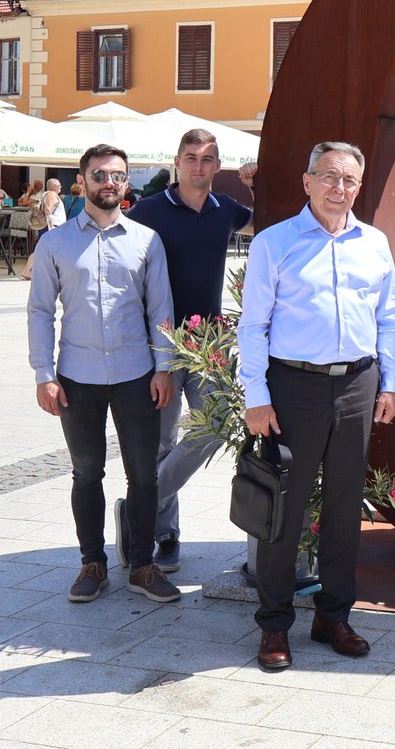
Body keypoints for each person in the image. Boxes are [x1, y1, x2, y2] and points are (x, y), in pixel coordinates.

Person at [239, 141, 395, 671]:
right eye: (328, 176)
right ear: (306, 181)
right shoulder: (274, 243)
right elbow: (254, 326)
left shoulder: (374, 244)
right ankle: (274, 625)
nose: (338, 188)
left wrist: (390, 383)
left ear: (359, 187)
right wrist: (257, 397)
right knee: (283, 510)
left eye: (349, 179)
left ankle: (333, 616)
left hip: (358, 385)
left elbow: (389, 319)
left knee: (342, 506)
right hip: (293, 388)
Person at [27, 143, 179, 607]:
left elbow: (161, 309)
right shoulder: (55, 243)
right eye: (98, 175)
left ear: (126, 183)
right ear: (82, 181)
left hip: (137, 374)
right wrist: (43, 373)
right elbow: (39, 311)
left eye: (116, 175)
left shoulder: (147, 240)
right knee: (87, 472)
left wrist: (165, 367)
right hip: (77, 376)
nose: (107, 183)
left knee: (144, 475)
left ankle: (142, 564)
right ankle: (92, 563)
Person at [129, 129, 253, 572]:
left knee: (216, 425)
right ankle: (165, 535)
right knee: (163, 441)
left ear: (218, 167)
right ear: (176, 162)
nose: (198, 165)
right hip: (160, 340)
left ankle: (140, 507)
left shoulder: (228, 211)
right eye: (191, 157)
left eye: (207, 159)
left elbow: (274, 227)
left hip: (210, 341)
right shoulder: (149, 210)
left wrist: (259, 183)